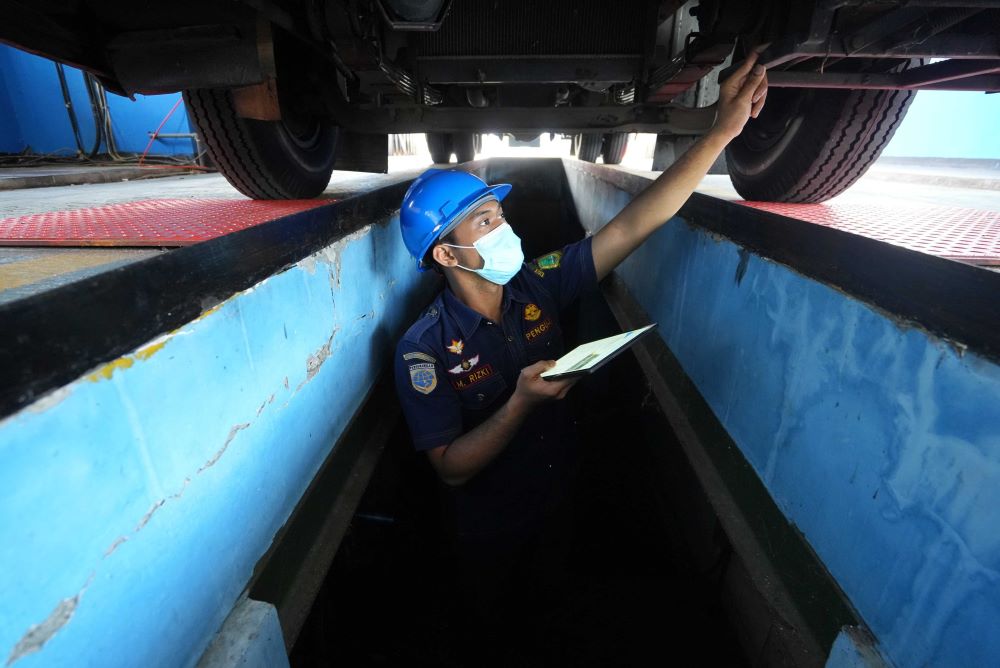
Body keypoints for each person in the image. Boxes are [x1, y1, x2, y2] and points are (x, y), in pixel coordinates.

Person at [393, 53, 768, 657]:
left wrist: (720, 133)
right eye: (483, 221)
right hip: (488, 528)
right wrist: (518, 403)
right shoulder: (424, 349)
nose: (503, 228)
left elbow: (631, 227)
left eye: (500, 214)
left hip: (559, 498)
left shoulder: (537, 282)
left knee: (550, 614)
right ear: (445, 255)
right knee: (487, 630)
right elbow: (451, 468)